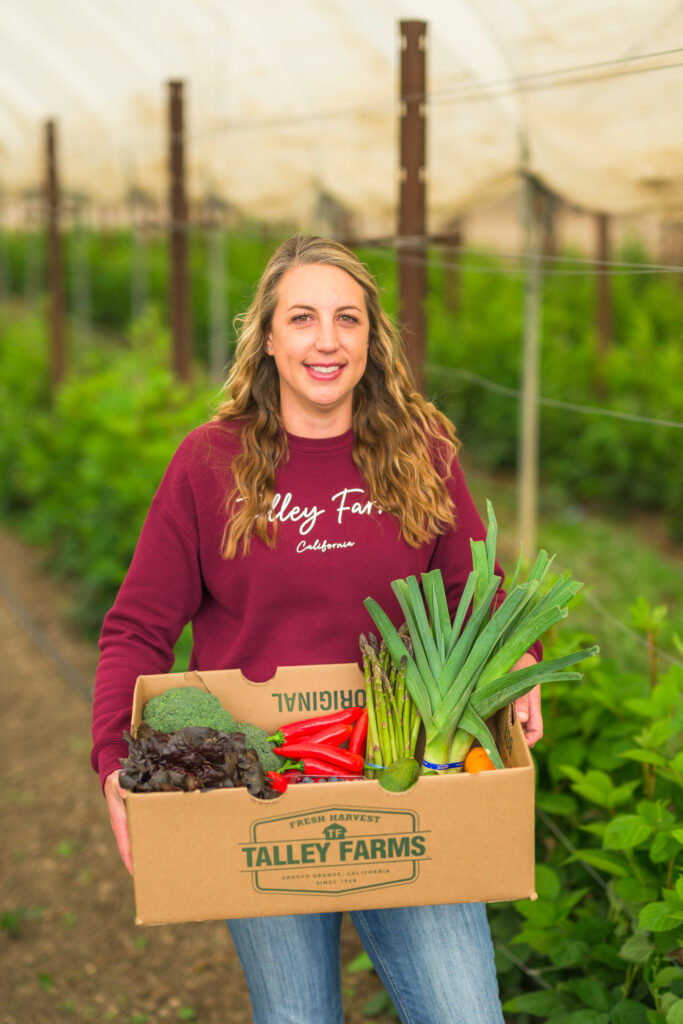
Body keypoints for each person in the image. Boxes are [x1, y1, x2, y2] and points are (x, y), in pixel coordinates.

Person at [91, 234, 543, 1024]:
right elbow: (136, 626)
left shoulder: (421, 451)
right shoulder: (210, 464)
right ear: (267, 338)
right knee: (295, 1016)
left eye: (347, 319)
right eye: (301, 318)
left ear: (373, 337)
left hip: (409, 768)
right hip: (256, 783)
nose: (326, 341)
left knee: (463, 1011)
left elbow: (475, 590)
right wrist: (108, 759)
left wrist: (521, 660)